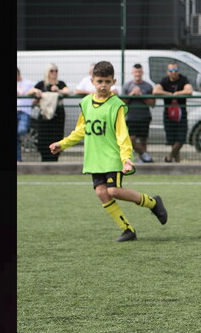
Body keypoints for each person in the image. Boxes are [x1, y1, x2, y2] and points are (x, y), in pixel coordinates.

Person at [48, 61, 168, 242]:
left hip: (113, 158)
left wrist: (126, 158)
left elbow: (122, 135)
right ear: (92, 81)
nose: (103, 85)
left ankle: (153, 203)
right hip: (94, 158)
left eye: (107, 81)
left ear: (113, 82)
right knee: (101, 193)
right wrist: (62, 144)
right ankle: (127, 230)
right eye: (99, 81)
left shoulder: (116, 105)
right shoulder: (86, 103)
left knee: (113, 191)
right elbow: (81, 130)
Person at [153, 62, 193, 163]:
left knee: (181, 139)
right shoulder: (164, 81)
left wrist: (178, 93)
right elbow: (156, 91)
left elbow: (189, 90)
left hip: (181, 113)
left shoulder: (183, 79)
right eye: (171, 70)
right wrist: (169, 94)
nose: (173, 72)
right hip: (168, 113)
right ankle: (177, 163)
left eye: (175, 70)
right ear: (167, 71)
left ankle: (170, 157)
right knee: (172, 139)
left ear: (178, 71)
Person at [33, 63, 72, 162]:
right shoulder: (42, 84)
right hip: (45, 116)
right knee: (43, 139)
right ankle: (44, 160)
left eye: (56, 71)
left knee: (57, 138)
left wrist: (58, 90)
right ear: (47, 72)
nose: (54, 73)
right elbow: (31, 91)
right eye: (52, 70)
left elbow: (68, 91)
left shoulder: (60, 83)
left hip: (58, 116)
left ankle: (55, 160)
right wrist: (37, 92)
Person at [121, 63, 156, 163]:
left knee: (143, 140)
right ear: (132, 73)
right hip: (131, 117)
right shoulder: (127, 86)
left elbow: (152, 103)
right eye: (136, 72)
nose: (137, 74)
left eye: (139, 72)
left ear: (142, 72)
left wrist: (141, 95)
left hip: (144, 117)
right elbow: (122, 103)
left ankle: (144, 160)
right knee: (131, 139)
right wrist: (131, 94)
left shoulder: (148, 86)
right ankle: (145, 155)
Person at [17, 67, 38, 162]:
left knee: (21, 130)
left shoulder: (28, 83)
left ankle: (21, 138)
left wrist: (33, 103)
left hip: (24, 112)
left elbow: (38, 92)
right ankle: (18, 160)